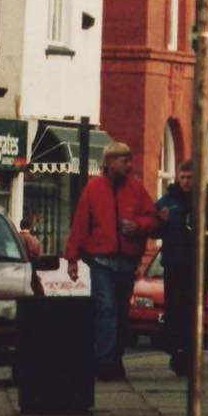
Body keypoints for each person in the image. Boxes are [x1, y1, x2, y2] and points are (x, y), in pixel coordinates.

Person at [64, 141, 161, 380]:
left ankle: (114, 358)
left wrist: (138, 226)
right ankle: (106, 362)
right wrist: (72, 258)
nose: (128, 164)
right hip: (101, 261)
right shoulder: (93, 189)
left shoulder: (136, 188)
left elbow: (153, 219)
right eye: (123, 160)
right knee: (107, 309)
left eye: (129, 159)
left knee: (119, 311)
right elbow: (80, 223)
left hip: (126, 261)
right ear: (109, 162)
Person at [155, 158, 208, 376]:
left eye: (190, 177)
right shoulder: (167, 201)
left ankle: (189, 353)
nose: (186, 182)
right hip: (175, 264)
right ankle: (178, 350)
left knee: (194, 311)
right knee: (175, 310)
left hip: (199, 266)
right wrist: (161, 221)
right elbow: (153, 230)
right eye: (183, 177)